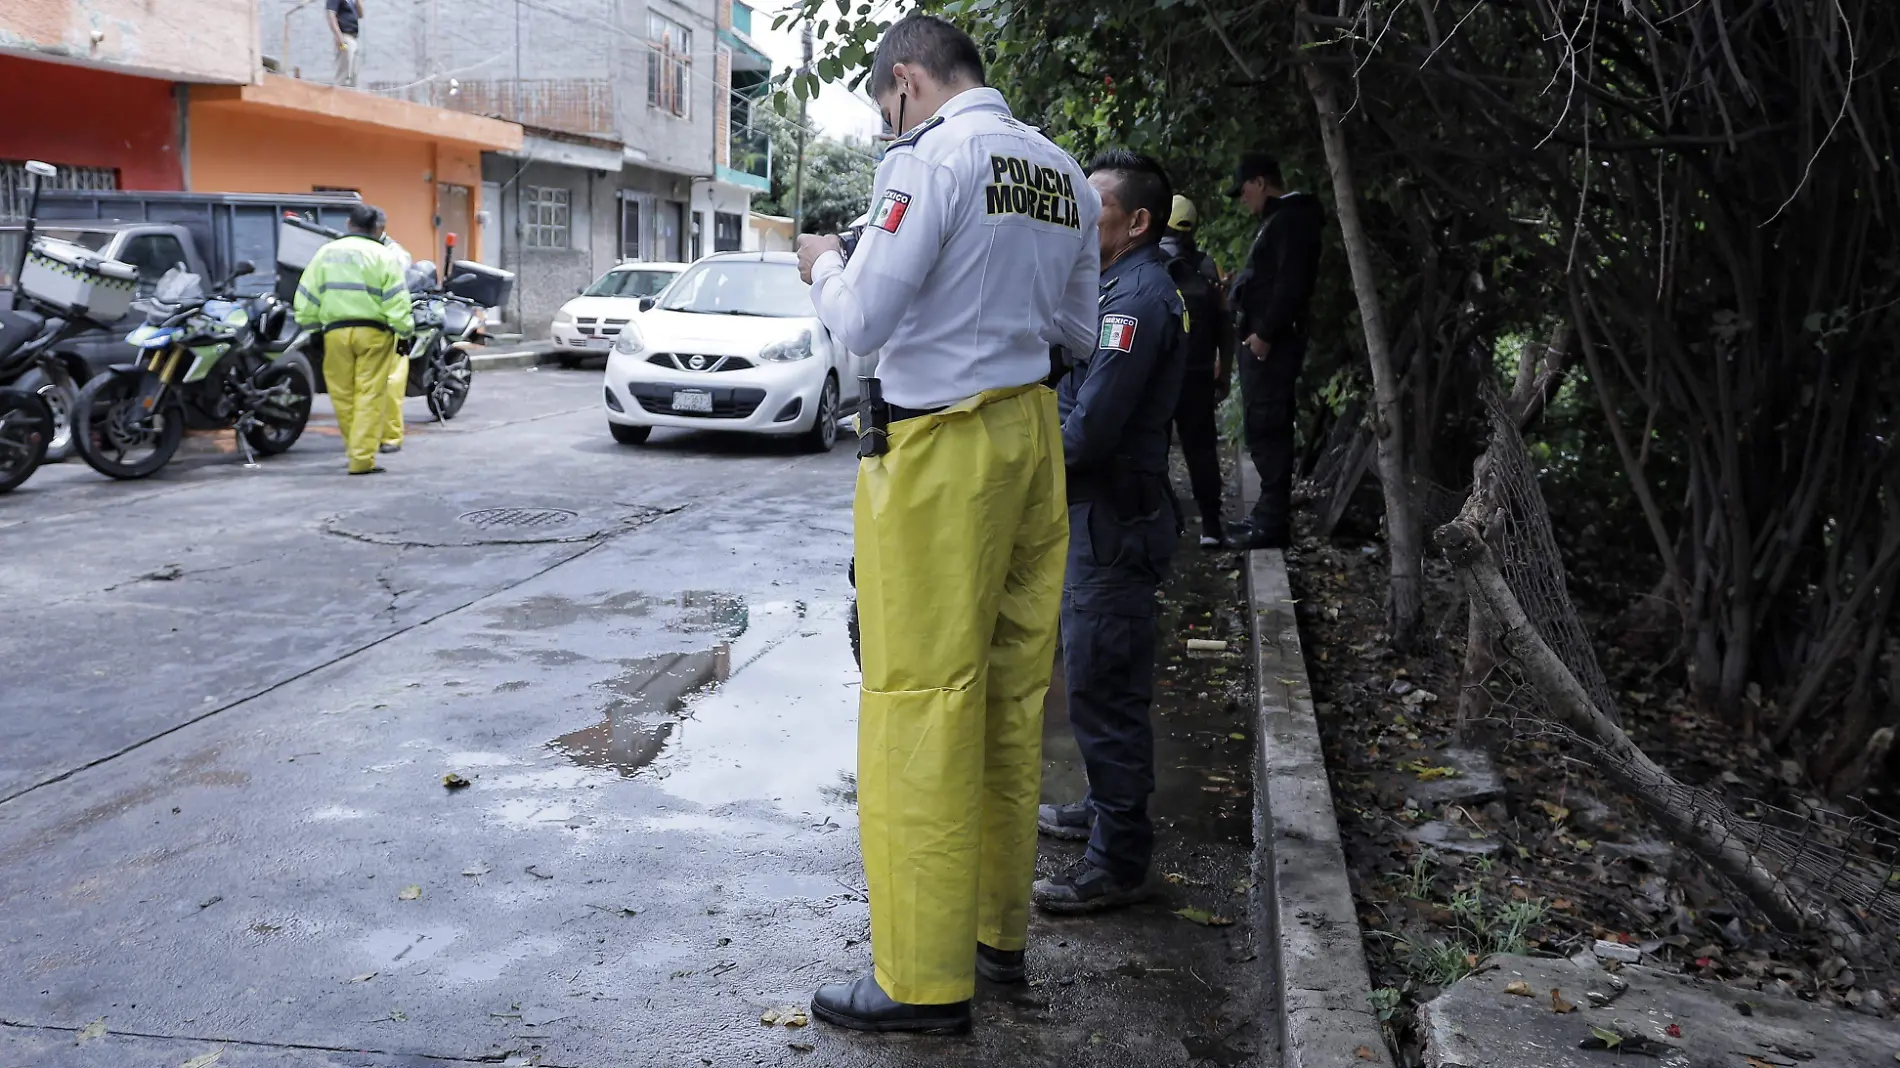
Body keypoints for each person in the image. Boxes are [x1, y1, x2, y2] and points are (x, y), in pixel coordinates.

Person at [795, 14, 1099, 1035]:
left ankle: (921, 984)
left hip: (937, 455)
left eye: (885, 102)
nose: (889, 117)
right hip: (1030, 441)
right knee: (1010, 701)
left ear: (907, 83)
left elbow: (862, 323)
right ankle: (992, 940)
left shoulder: (927, 158)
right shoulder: (1059, 169)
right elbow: (1077, 330)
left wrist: (824, 266)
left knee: (921, 697)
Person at [1033, 150, 1186, 914]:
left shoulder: (1137, 301)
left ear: (1136, 221)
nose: (1078, 217)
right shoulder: (1114, 287)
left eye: (1093, 206)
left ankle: (1118, 860)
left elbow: (1089, 429)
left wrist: (1017, 451)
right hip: (1101, 517)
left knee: (1105, 688)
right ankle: (1103, 810)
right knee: (1097, 679)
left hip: (1115, 521)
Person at [1226, 152, 1322, 551]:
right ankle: (1265, 517)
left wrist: (1264, 333)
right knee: (1261, 427)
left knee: (1269, 427)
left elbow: (1292, 284)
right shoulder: (1278, 220)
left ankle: (1271, 524)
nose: (1242, 199)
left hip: (1273, 346)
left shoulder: (1294, 218)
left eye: (1244, 190)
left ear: (1261, 182)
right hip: (1262, 345)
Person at [293, 204, 413, 475]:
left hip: (334, 333)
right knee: (369, 395)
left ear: (349, 224)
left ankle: (355, 450)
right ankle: (361, 459)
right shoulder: (383, 256)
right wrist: (404, 332)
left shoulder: (325, 253)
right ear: (377, 229)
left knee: (343, 395)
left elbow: (306, 295)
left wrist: (311, 329)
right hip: (374, 334)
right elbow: (397, 299)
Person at [1158, 194, 1234, 548]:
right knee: (1201, 451)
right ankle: (1212, 527)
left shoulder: (1150, 265)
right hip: (1199, 374)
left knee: (1151, 451)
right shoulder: (1208, 268)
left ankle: (1161, 524)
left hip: (1159, 376)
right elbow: (1224, 324)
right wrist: (1225, 371)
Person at [378, 234, 414, 455]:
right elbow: (398, 295)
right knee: (391, 382)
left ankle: (358, 439)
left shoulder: (333, 251)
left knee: (352, 387)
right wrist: (404, 331)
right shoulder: (392, 255)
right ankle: (389, 437)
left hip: (338, 328)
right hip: (383, 328)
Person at [327, 0, 364, 88]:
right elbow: (331, 16)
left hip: (354, 37)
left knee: (353, 73)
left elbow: (361, 15)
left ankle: (351, 97)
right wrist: (339, 37)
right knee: (344, 73)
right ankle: (338, 96)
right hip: (344, 37)